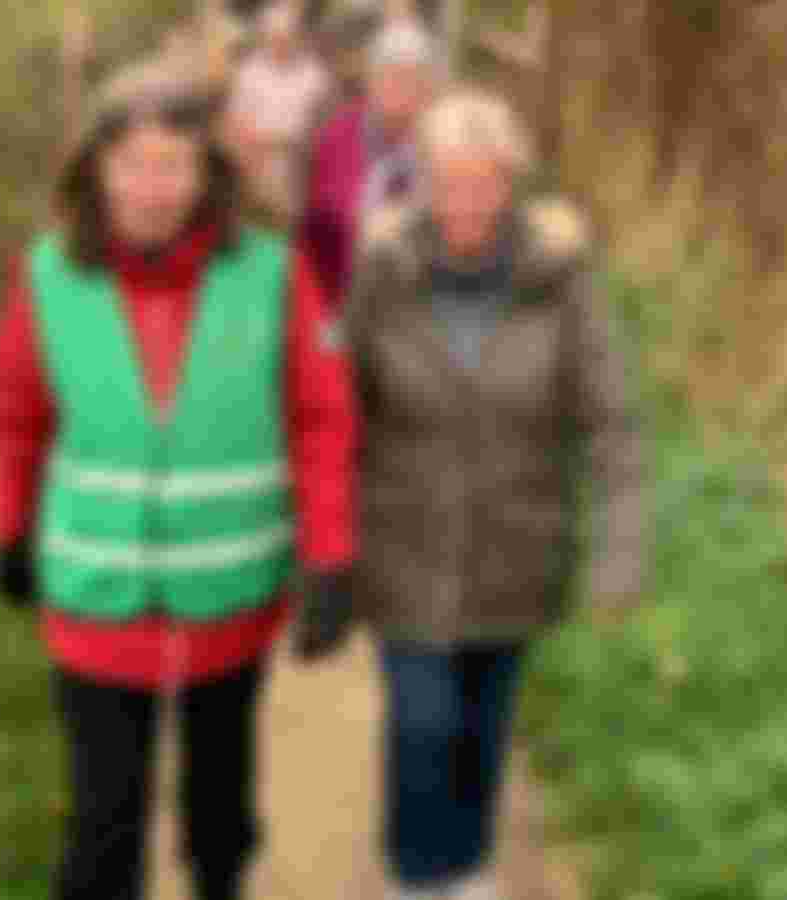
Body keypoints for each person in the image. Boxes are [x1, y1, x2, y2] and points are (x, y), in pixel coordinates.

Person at [0, 59, 358, 900]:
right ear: (96, 170)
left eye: (174, 166)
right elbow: (16, 416)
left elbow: (322, 420)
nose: (152, 189)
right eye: (132, 166)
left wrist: (330, 556)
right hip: (96, 596)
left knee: (219, 811)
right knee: (102, 827)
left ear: (207, 173)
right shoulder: (47, 276)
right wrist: (9, 527)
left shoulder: (273, 275)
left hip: (228, 598)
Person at [343, 87, 645, 900]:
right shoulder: (384, 273)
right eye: (448, 182)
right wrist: (323, 544)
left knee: (480, 725)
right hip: (404, 544)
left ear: (511, 184)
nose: (466, 202)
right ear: (422, 184)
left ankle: (470, 867)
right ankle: (417, 875)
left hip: (518, 548)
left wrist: (619, 549)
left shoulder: (561, 282)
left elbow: (611, 421)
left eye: (484, 182)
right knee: (422, 723)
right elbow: (335, 409)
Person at [296, 18, 444, 304]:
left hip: (423, 303)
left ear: (429, 89)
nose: (401, 88)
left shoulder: (443, 141)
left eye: (413, 79)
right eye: (390, 76)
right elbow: (315, 225)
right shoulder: (336, 135)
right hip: (342, 294)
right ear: (370, 81)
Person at [225, 1, 332, 225]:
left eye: (286, 38)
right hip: (260, 158)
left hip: (302, 158)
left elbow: (325, 120)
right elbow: (237, 119)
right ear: (265, 38)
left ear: (297, 38)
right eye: (275, 39)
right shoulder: (249, 72)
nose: (281, 45)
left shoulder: (315, 73)